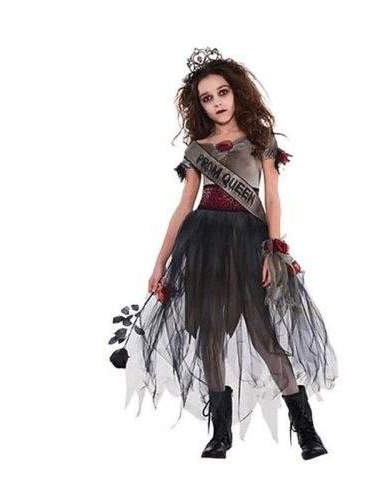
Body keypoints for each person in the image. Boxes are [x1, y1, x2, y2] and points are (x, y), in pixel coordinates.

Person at [108, 47, 338, 460]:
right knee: (209, 335)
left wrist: (273, 250)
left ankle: (306, 430)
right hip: (204, 244)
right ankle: (220, 434)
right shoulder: (198, 149)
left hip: (248, 242)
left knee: (265, 337)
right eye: (207, 98)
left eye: (222, 92)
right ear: (199, 105)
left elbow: (272, 198)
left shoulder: (261, 140)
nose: (216, 102)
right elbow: (184, 206)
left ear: (237, 92)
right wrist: (160, 262)